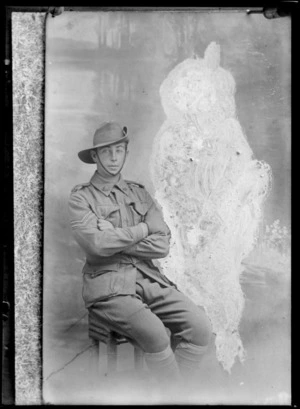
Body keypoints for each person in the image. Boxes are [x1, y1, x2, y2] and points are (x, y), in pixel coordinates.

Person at [68, 121, 212, 389]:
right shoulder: (81, 198)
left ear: (126, 153)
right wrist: (143, 228)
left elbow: (162, 245)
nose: (113, 157)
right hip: (107, 285)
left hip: (147, 277)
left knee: (200, 327)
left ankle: (173, 393)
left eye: (119, 151)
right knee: (156, 335)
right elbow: (97, 246)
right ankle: (175, 397)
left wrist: (117, 236)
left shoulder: (139, 193)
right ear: (95, 156)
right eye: (107, 151)